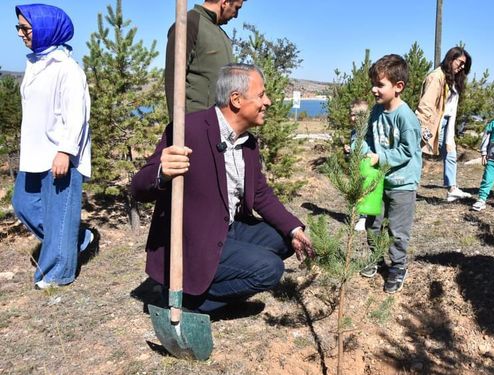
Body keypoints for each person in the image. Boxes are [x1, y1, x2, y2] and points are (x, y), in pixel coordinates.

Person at [131, 64, 315, 313]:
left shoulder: (248, 143)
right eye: (261, 95)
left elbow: (260, 193)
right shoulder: (189, 129)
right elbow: (138, 187)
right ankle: (191, 302)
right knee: (270, 270)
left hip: (227, 228)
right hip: (193, 240)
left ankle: (208, 288)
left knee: (283, 239)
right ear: (236, 100)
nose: (268, 102)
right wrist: (161, 173)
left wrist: (294, 229)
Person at [11, 4, 93, 290]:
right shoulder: (35, 63)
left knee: (59, 212)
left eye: (26, 28)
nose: (21, 33)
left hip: (59, 154)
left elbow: (77, 114)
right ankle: (76, 238)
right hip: (34, 153)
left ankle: (58, 273)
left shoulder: (67, 69)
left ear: (46, 29)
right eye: (19, 28)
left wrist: (66, 151)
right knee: (22, 204)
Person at [357, 54, 422, 294]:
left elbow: (407, 150)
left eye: (380, 85)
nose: (374, 89)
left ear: (398, 87)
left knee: (397, 229)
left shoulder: (406, 117)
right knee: (373, 222)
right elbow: (366, 137)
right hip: (379, 179)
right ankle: (374, 258)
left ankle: (397, 267)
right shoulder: (376, 111)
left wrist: (380, 157)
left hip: (402, 182)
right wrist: (365, 152)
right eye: (373, 83)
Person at [164, 0, 244, 116]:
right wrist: (180, 128)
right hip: (196, 124)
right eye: (237, 8)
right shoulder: (190, 23)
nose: (236, 15)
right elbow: (173, 78)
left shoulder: (222, 35)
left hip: (221, 124)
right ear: (224, 2)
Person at [415, 47, 473, 202]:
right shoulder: (437, 76)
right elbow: (426, 104)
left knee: (450, 152)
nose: (461, 67)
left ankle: (452, 188)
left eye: (464, 65)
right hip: (434, 122)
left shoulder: (453, 79)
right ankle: (407, 187)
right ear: (450, 59)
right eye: (460, 63)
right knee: (417, 153)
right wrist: (423, 126)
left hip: (447, 121)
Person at [343, 99, 370, 231]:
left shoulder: (367, 131)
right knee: (357, 191)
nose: (352, 118)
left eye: (356, 115)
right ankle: (358, 215)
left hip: (366, 165)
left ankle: (364, 218)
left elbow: (367, 148)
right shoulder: (354, 132)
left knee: (364, 191)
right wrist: (348, 151)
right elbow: (355, 149)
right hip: (356, 166)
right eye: (351, 114)